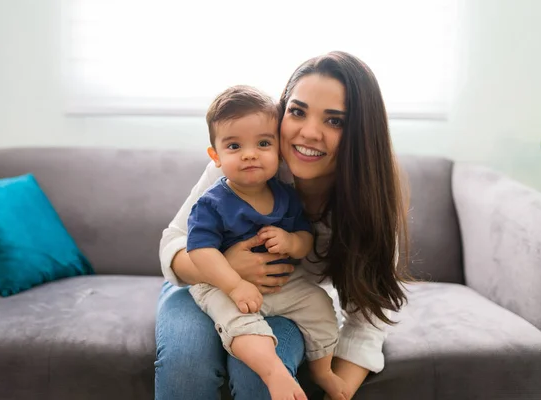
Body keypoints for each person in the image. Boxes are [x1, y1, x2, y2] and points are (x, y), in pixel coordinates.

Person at [155, 51, 409, 400]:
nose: (309, 132)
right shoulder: (243, 163)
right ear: (282, 110)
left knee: (257, 375)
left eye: (334, 121)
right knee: (187, 363)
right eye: (298, 112)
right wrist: (228, 269)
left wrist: (340, 389)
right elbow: (174, 242)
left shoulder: (368, 204)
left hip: (284, 296)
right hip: (202, 284)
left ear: (361, 135)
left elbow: (368, 319)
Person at [185, 85, 346, 400]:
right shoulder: (212, 202)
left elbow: (304, 240)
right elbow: (200, 251)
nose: (249, 154)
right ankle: (274, 373)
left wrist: (289, 241)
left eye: (262, 143)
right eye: (234, 146)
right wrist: (233, 285)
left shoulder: (284, 194)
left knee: (320, 306)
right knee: (241, 324)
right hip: (220, 285)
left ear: (278, 149)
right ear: (215, 156)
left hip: (281, 284)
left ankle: (323, 370)